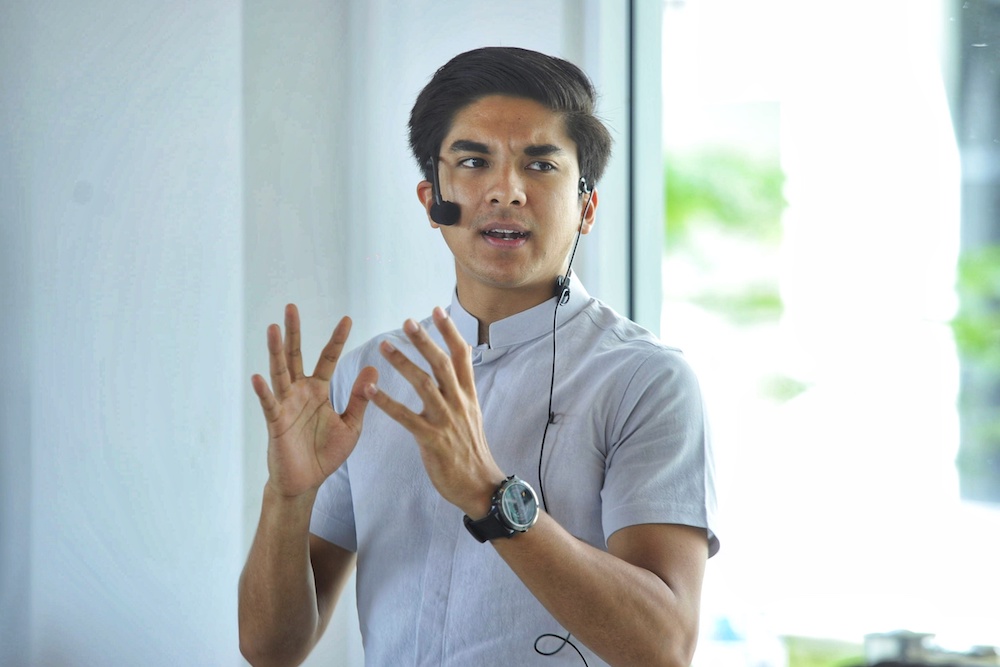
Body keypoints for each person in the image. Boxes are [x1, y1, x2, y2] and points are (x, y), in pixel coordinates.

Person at [238, 46, 719, 667]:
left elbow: (664, 646)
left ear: (587, 207)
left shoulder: (646, 381)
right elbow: (270, 651)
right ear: (430, 199)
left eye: (540, 165)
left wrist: (492, 497)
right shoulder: (365, 380)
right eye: (473, 161)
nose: (506, 192)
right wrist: (286, 496)